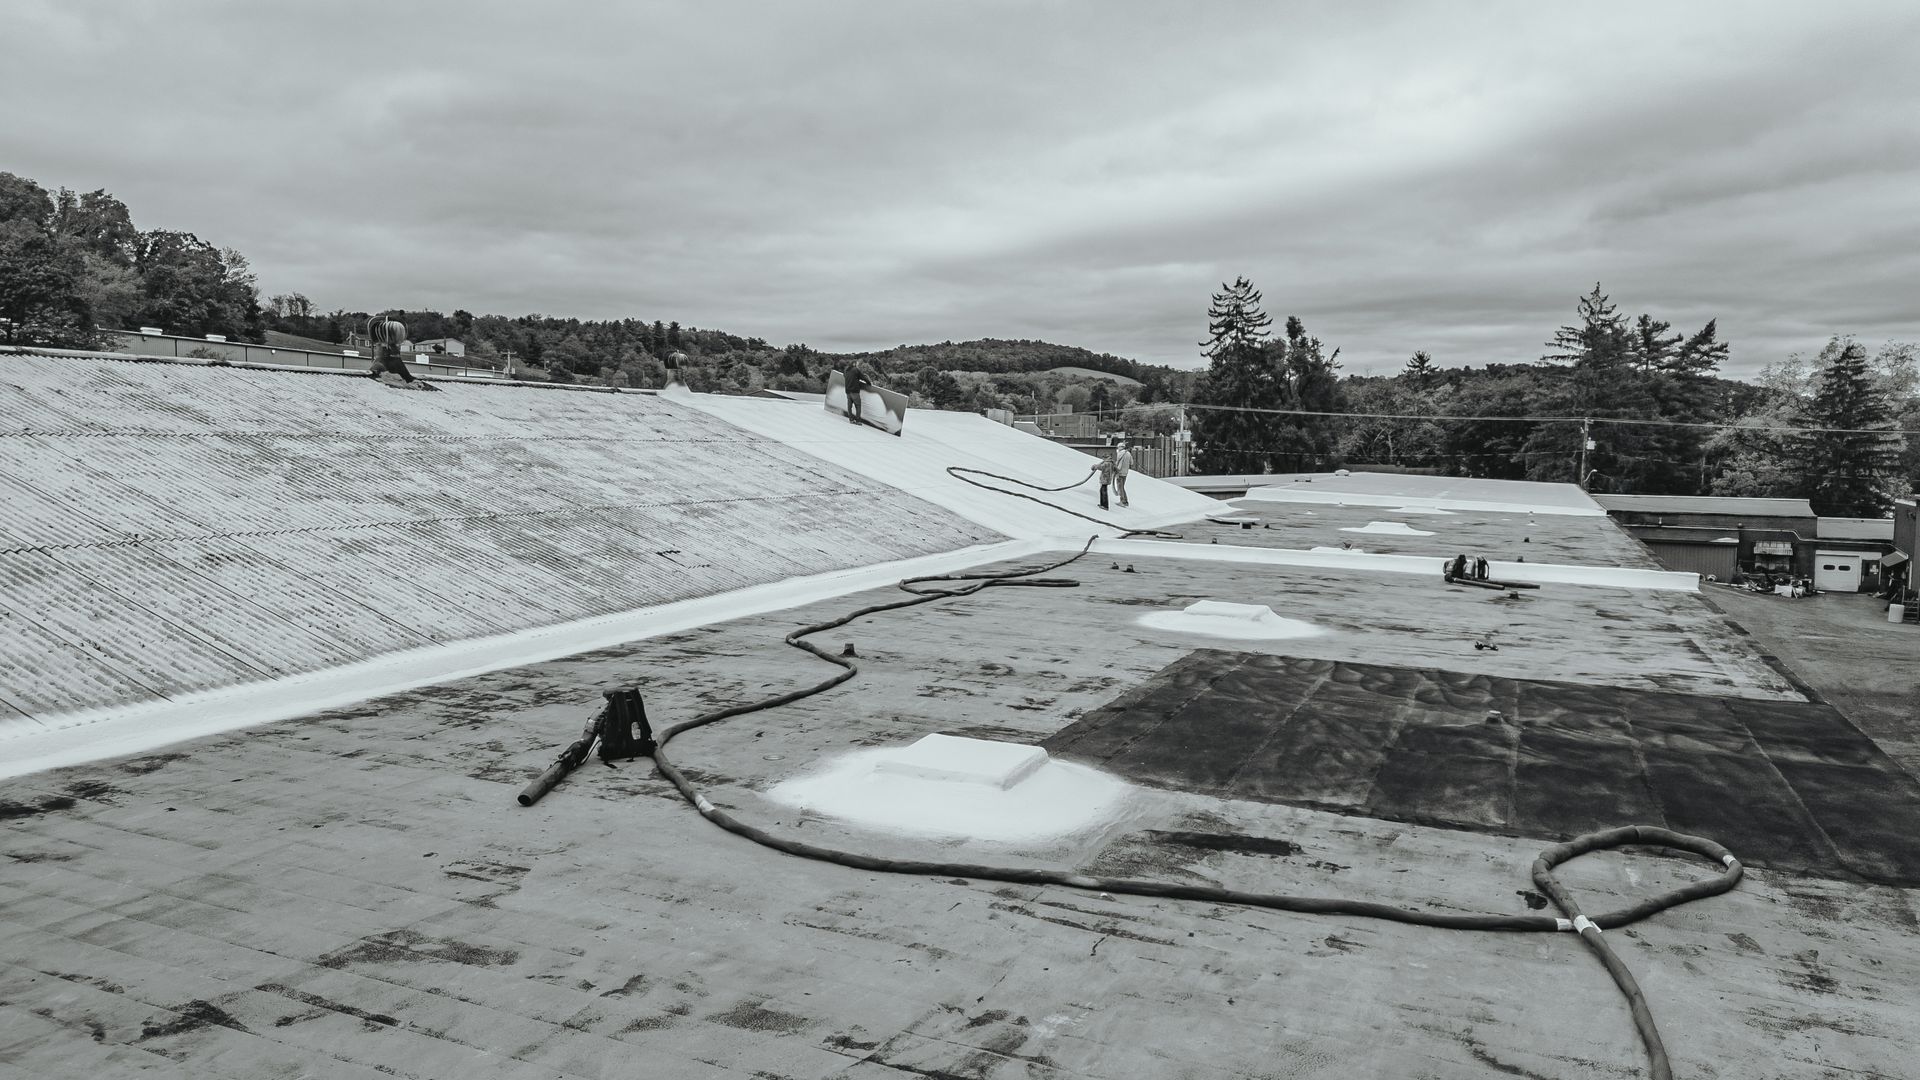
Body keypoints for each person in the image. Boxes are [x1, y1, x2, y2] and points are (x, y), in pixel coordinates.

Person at [1112, 441, 1132, 507]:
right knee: (1122, 487)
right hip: (1125, 473)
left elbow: (1117, 463)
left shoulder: (1120, 453)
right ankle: (1125, 501)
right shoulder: (1128, 453)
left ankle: (1122, 501)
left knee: (1120, 488)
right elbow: (1131, 463)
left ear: (1120, 447)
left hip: (1119, 473)